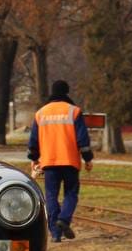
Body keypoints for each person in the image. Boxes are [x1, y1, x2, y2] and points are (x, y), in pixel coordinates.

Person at [28, 80, 94, 242]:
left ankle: (55, 234)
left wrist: (34, 159)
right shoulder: (74, 112)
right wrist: (88, 159)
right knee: (71, 193)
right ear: (67, 92)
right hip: (70, 161)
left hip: (49, 162)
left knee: (51, 196)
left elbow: (33, 141)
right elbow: (82, 140)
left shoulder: (40, 113)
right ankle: (63, 220)